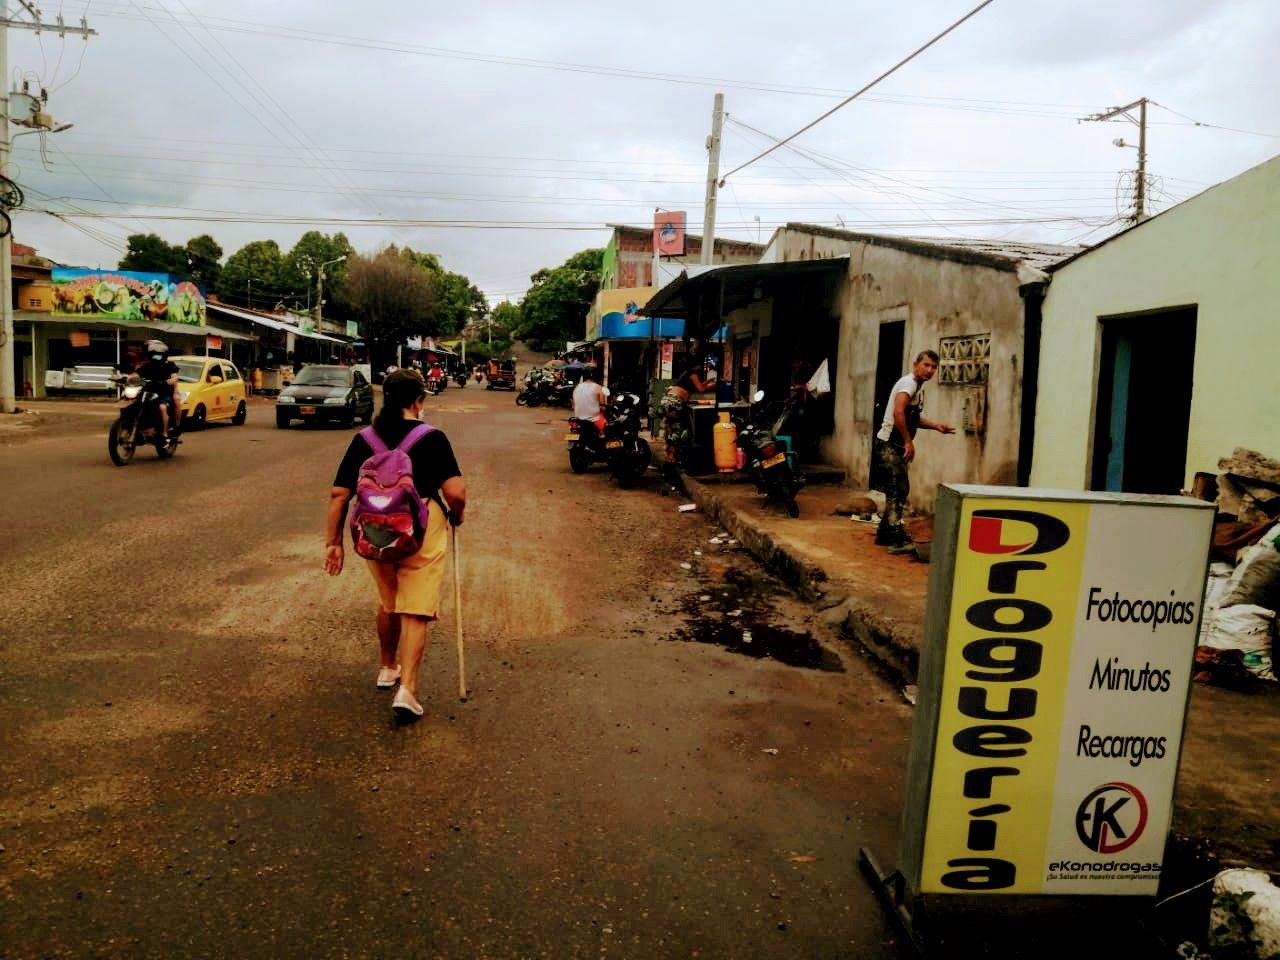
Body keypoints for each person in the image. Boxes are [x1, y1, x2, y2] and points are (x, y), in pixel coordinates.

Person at [324, 369, 467, 721]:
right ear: (418, 401)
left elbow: (339, 495)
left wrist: (334, 543)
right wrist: (457, 515)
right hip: (422, 526)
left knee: (389, 601)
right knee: (415, 607)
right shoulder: (432, 437)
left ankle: (388, 667)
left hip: (375, 530)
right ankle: (408, 690)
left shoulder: (365, 439)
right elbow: (455, 493)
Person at [873, 350, 953, 553]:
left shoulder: (917, 387)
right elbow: (898, 412)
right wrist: (908, 442)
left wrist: (936, 426)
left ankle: (885, 532)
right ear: (915, 364)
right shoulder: (908, 384)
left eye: (933, 367)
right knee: (898, 488)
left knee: (898, 488)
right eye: (926, 365)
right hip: (889, 444)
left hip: (895, 445)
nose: (930, 370)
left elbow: (912, 418)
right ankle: (894, 535)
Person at [660, 344, 714, 461]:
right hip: (675, 400)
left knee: (670, 427)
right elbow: (701, 389)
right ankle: (671, 455)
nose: (701, 367)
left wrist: (708, 381)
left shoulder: (687, 373)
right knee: (677, 428)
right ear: (696, 365)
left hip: (669, 399)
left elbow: (697, 386)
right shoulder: (693, 374)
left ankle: (668, 454)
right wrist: (714, 385)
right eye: (700, 365)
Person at [137, 339, 180, 437]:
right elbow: (136, 374)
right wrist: (126, 378)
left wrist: (169, 381)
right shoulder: (147, 366)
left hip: (163, 393)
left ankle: (164, 433)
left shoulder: (170, 365)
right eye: (154, 354)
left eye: (159, 354)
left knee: (162, 407)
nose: (156, 356)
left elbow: (174, 377)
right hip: (148, 393)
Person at [571, 366, 608, 435]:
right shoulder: (598, 388)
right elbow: (602, 405)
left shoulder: (577, 387)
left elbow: (574, 405)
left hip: (578, 418)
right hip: (593, 419)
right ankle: (601, 435)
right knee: (605, 427)